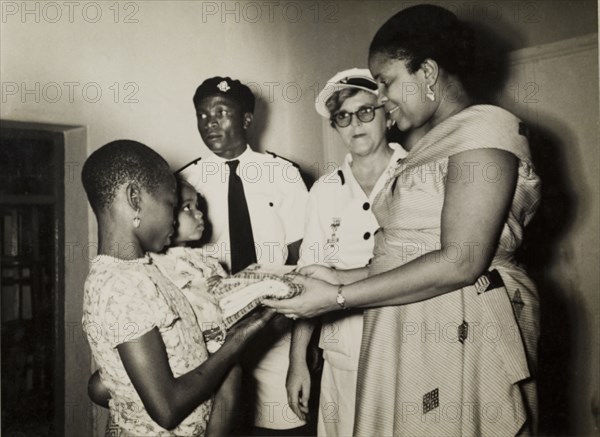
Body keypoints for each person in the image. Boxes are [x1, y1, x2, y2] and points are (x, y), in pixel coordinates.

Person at [266, 5, 541, 437]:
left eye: (386, 81)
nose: (380, 97)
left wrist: (339, 295)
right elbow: (414, 251)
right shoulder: (433, 146)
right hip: (412, 327)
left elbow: (460, 261)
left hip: (462, 331)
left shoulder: (485, 133)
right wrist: (336, 273)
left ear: (427, 72)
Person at [81, 140, 276, 436]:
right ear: (135, 198)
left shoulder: (144, 270)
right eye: (170, 204)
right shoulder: (120, 285)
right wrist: (238, 340)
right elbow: (166, 409)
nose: (175, 218)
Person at [178, 77, 309, 434]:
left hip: (276, 320)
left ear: (248, 120)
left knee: (285, 421)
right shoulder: (185, 182)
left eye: (221, 112)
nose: (210, 122)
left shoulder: (283, 174)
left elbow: (302, 256)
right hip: (212, 329)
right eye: (202, 115)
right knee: (221, 423)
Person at [286, 68, 406, 436]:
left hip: (409, 344)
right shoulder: (324, 191)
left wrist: (338, 278)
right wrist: (298, 362)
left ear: (388, 114)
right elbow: (309, 278)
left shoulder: (418, 173)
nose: (355, 124)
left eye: (366, 111)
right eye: (343, 116)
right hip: (344, 352)